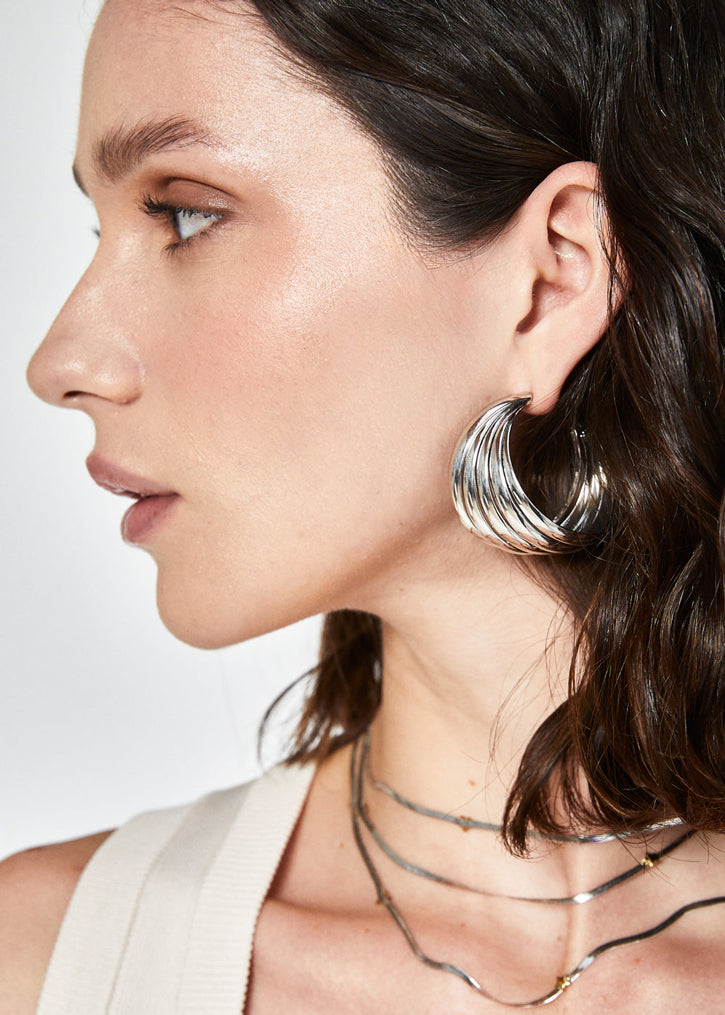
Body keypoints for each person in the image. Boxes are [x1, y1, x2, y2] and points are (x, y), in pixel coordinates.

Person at [3, 0, 725, 1010]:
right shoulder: (50, 964)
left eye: (184, 214)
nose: (59, 362)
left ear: (552, 278)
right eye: (101, 224)